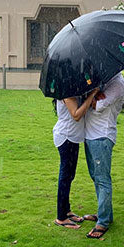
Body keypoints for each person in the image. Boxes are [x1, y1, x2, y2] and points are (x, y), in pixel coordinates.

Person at [83, 72, 124, 238]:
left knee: (102, 179)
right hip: (90, 135)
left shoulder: (117, 84)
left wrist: (92, 96)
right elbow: (89, 101)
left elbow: (97, 106)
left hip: (102, 136)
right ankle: (104, 213)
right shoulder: (103, 81)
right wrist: (94, 93)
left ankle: (103, 222)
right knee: (96, 177)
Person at [53, 88, 99, 228]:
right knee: (65, 177)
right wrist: (91, 95)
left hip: (73, 137)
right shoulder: (66, 92)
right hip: (66, 137)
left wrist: (91, 96)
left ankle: (66, 211)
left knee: (69, 176)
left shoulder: (74, 91)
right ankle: (61, 217)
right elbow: (76, 115)